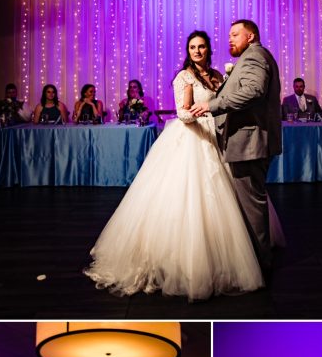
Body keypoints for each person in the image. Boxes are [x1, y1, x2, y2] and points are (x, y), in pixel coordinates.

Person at [85, 29, 263, 300]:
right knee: (188, 198)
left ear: (208, 49)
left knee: (229, 193)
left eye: (201, 47)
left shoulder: (216, 75)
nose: (197, 51)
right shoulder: (185, 76)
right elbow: (183, 110)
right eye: (192, 47)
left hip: (217, 137)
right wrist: (194, 114)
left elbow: (224, 102)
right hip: (192, 138)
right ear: (188, 51)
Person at [190, 18, 283, 275]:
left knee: (252, 205)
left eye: (235, 34)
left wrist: (212, 105)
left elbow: (253, 91)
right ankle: (257, 260)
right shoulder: (253, 56)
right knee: (250, 203)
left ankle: (259, 267)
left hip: (250, 143)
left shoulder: (254, 57)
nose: (229, 39)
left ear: (250, 37)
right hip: (248, 142)